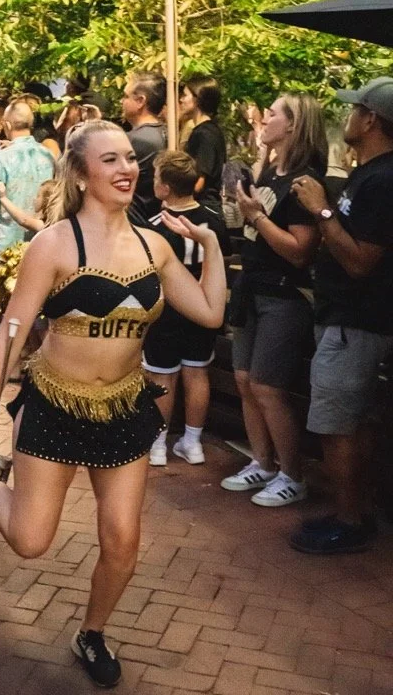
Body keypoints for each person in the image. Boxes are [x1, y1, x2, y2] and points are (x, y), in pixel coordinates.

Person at [0, 121, 226, 687]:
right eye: (109, 160)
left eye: (130, 159)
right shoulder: (54, 244)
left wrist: (209, 244)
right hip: (55, 406)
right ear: (83, 175)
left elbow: (209, 312)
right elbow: (10, 336)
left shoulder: (154, 245)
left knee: (123, 543)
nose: (126, 169)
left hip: (124, 407)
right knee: (32, 542)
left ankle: (92, 633)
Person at [289, 78, 393, 554]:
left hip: (356, 324)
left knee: (336, 424)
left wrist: (321, 211)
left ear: (371, 119)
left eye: (355, 110)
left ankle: (350, 521)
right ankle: (354, 511)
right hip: (347, 321)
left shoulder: (383, 180)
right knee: (355, 422)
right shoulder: (369, 173)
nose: (347, 116)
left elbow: (360, 261)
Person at [222, 94, 326, 506]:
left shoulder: (304, 182)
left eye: (272, 114)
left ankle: (292, 474)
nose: (263, 118)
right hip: (254, 288)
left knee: (267, 385)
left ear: (294, 126)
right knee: (245, 379)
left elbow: (301, 251)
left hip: (284, 294)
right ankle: (262, 463)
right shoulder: (269, 174)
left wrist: (257, 217)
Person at [143, 150, 229, 466]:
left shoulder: (155, 225)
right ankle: (192, 442)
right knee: (197, 371)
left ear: (164, 187)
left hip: (168, 309)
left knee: (162, 376)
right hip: (205, 303)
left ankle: (157, 444)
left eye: (155, 178)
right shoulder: (214, 220)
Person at [0, 99, 56, 256]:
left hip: (7, 244)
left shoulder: (2, 158)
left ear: (7, 125)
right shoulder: (47, 155)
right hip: (39, 240)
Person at [120, 72, 168, 217]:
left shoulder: (134, 141)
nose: (122, 101)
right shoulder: (168, 134)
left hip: (135, 220)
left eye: (126, 96)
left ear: (140, 101)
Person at [180, 75, 227, 209]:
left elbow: (200, 180)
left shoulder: (205, 134)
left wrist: (180, 200)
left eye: (185, 95)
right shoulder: (206, 130)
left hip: (203, 208)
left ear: (197, 99)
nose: (181, 100)